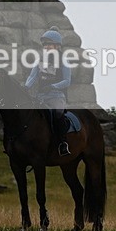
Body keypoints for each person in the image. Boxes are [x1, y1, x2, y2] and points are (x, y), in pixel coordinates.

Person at [25, 27, 72, 156]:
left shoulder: (64, 60)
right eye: (45, 44)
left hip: (57, 96)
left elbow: (67, 81)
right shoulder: (40, 60)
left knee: (57, 114)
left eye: (49, 44)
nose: (46, 47)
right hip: (41, 96)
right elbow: (32, 76)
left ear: (57, 46)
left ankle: (63, 143)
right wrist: (25, 88)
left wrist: (53, 86)